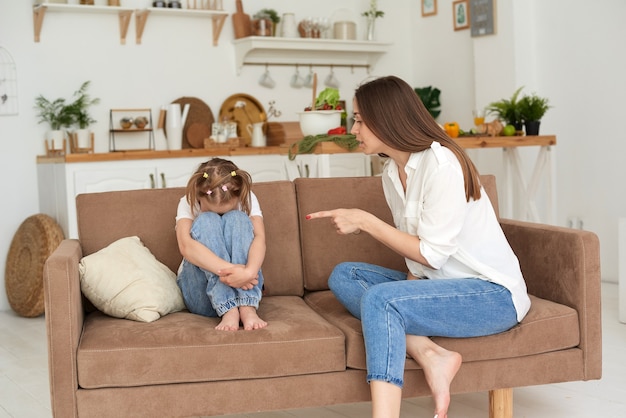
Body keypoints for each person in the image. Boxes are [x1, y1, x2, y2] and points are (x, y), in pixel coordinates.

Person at [306, 76, 531, 418]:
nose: (354, 129)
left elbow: (432, 253)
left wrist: (366, 221)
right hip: (440, 286)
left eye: (360, 120)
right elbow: (416, 255)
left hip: (491, 295)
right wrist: (406, 297)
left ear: (387, 119)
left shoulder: (442, 166)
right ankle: (429, 353)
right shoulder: (391, 172)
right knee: (345, 275)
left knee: (381, 299)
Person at [175, 158, 267, 331]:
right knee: (206, 221)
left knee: (237, 218)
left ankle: (247, 307)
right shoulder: (188, 201)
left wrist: (248, 272)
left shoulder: (246, 198)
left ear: (238, 195)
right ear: (199, 195)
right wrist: (235, 272)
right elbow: (186, 246)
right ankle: (229, 309)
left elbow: (260, 238)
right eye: (210, 209)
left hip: (245, 287)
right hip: (201, 295)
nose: (219, 216)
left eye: (226, 211)